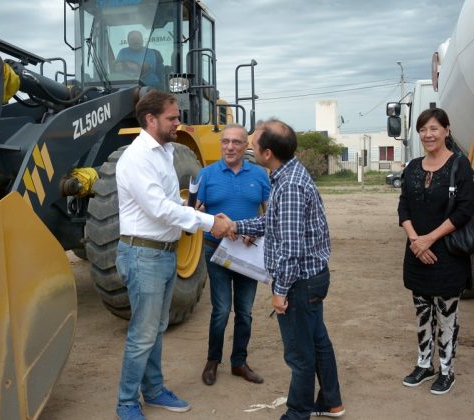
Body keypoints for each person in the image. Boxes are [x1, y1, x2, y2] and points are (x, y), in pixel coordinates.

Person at [113, 91, 231, 420]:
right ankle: (126, 402)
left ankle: (152, 390)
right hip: (143, 255)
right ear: (150, 120)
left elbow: (169, 201)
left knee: (156, 328)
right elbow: (157, 209)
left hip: (163, 253)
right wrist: (209, 223)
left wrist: (189, 209)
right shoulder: (137, 157)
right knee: (142, 333)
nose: (178, 123)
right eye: (172, 118)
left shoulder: (164, 152)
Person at [222, 119, 344, 419]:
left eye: (252, 144)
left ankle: (297, 413)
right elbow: (272, 223)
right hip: (311, 279)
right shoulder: (289, 173)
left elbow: (290, 249)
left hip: (299, 283)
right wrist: (237, 225)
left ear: (267, 154)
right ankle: (331, 401)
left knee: (299, 354)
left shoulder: (288, 185)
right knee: (317, 342)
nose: (247, 147)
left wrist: (279, 292)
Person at [397, 108, 474, 395]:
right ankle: (423, 364)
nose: (428, 134)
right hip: (416, 253)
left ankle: (446, 369)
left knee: (447, 315)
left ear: (446, 130)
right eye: (423, 129)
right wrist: (416, 240)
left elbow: (465, 210)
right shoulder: (413, 167)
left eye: (433, 128)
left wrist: (429, 239)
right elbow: (403, 206)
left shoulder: (459, 165)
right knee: (421, 312)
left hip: (447, 255)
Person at [196, 124, 270, 386]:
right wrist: (211, 221)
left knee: (245, 312)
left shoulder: (260, 175)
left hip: (248, 253)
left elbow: (270, 213)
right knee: (221, 309)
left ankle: (239, 362)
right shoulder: (206, 175)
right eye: (225, 141)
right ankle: (212, 361)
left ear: (246, 146)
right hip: (216, 250)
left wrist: (256, 232)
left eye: (236, 142)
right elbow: (196, 212)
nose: (230, 147)